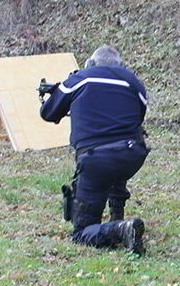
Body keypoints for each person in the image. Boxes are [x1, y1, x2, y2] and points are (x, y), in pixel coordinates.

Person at [40, 45, 150, 255]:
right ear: (120, 65)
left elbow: (48, 113)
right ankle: (118, 217)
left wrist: (53, 93)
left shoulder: (81, 78)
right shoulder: (134, 82)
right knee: (116, 160)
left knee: (81, 233)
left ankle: (121, 228)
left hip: (96, 158)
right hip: (132, 154)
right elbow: (138, 116)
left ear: (90, 63)